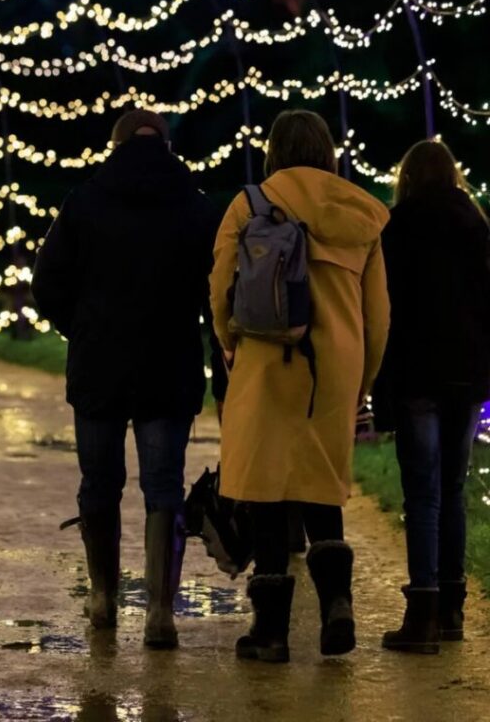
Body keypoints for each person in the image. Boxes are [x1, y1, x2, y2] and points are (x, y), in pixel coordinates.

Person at [32, 108, 222, 649]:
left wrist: (82, 327)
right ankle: (161, 611)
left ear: (115, 145)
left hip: (99, 367)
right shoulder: (195, 206)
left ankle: (103, 599)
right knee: (163, 487)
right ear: (165, 144)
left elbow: (47, 283)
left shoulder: (84, 201)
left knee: (100, 483)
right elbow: (217, 288)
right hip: (170, 364)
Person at [210, 109, 390, 663]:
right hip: (333, 370)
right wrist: (361, 378)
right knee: (321, 487)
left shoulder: (250, 204)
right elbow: (378, 315)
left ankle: (271, 632)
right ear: (328, 151)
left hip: (265, 360)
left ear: (274, 151)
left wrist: (232, 348)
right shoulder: (361, 214)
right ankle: (338, 605)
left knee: (266, 493)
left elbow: (219, 287)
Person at [379, 140, 490, 653]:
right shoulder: (477, 225)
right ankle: (452, 611)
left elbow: (386, 313)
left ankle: (421, 613)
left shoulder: (397, 228)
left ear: (407, 178)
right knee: (453, 490)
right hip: (467, 377)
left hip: (418, 376)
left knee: (422, 494)